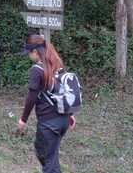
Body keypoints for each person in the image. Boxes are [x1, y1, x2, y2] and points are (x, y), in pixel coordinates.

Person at [19, 34, 76, 173]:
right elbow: (64, 90)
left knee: (47, 159)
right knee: (49, 157)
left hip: (49, 124)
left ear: (35, 52)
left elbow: (31, 98)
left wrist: (23, 119)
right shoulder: (57, 65)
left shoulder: (37, 70)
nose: (29, 56)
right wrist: (70, 114)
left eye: (29, 53)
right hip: (62, 121)